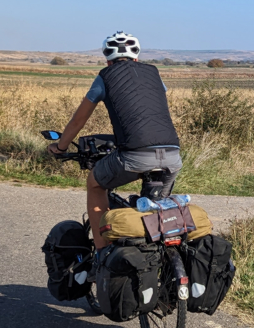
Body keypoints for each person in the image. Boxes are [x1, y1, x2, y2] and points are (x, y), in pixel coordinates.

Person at [47, 31, 181, 249]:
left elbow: (78, 120)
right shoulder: (154, 74)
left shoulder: (105, 76)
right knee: (154, 208)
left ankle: (102, 250)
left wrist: (60, 146)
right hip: (173, 155)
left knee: (95, 184)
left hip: (136, 154)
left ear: (107, 59)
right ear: (136, 57)